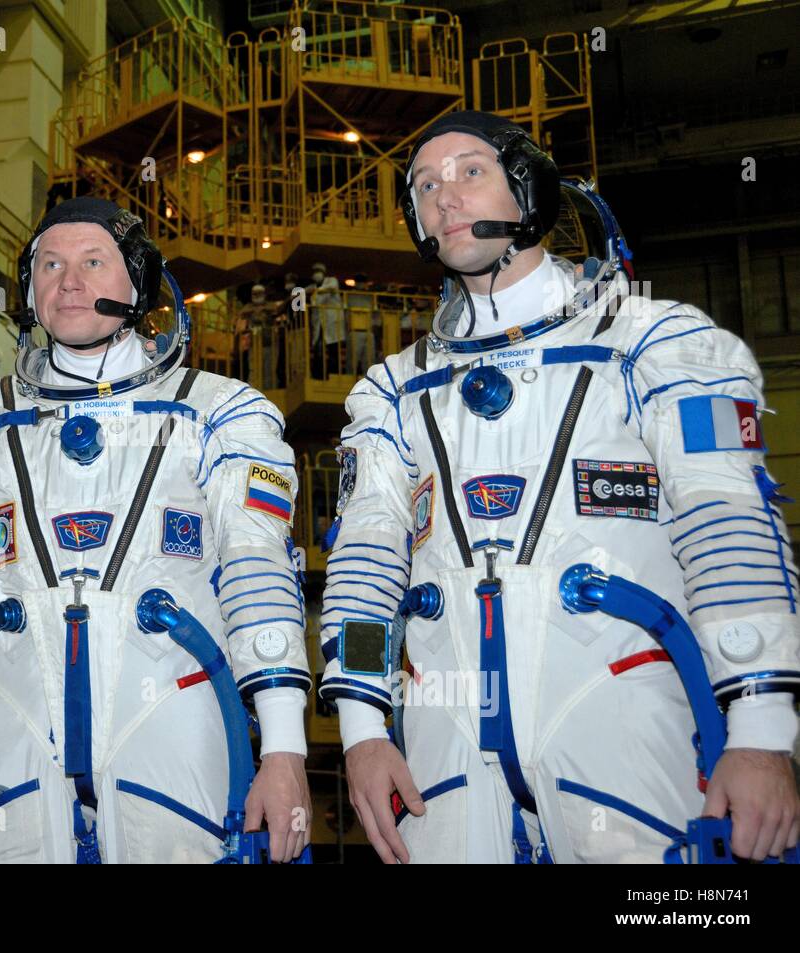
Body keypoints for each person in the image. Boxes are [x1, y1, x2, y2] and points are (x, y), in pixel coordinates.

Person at [322, 110, 800, 863]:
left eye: (469, 172)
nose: (444, 195)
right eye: (425, 185)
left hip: (626, 720)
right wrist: (362, 730)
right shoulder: (390, 390)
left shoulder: (657, 341)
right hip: (445, 742)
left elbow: (730, 533)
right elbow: (365, 568)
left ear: (531, 189)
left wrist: (763, 734)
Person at [0, 196, 312, 863]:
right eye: (50, 264)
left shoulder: (219, 411)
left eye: (92, 261)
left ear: (137, 284)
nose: (69, 280)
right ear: (29, 290)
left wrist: (284, 747)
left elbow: (259, 575)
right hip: (10, 722)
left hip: (172, 717)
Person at [308, 263, 345, 378]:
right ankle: (319, 375)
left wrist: (315, 290)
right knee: (318, 351)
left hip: (332, 322)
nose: (316, 274)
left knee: (333, 350)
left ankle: (334, 375)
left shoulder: (331, 281)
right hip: (319, 325)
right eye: (315, 272)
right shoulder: (313, 287)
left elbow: (332, 287)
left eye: (318, 271)